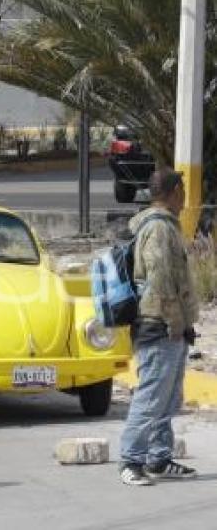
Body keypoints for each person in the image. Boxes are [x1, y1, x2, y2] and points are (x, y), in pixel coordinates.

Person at [118, 168, 199, 486]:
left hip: (172, 327)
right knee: (151, 398)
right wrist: (176, 323)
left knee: (168, 399)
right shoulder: (159, 230)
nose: (186, 196)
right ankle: (130, 460)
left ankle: (158, 458)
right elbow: (160, 279)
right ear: (174, 191)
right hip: (159, 326)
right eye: (183, 189)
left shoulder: (166, 227)